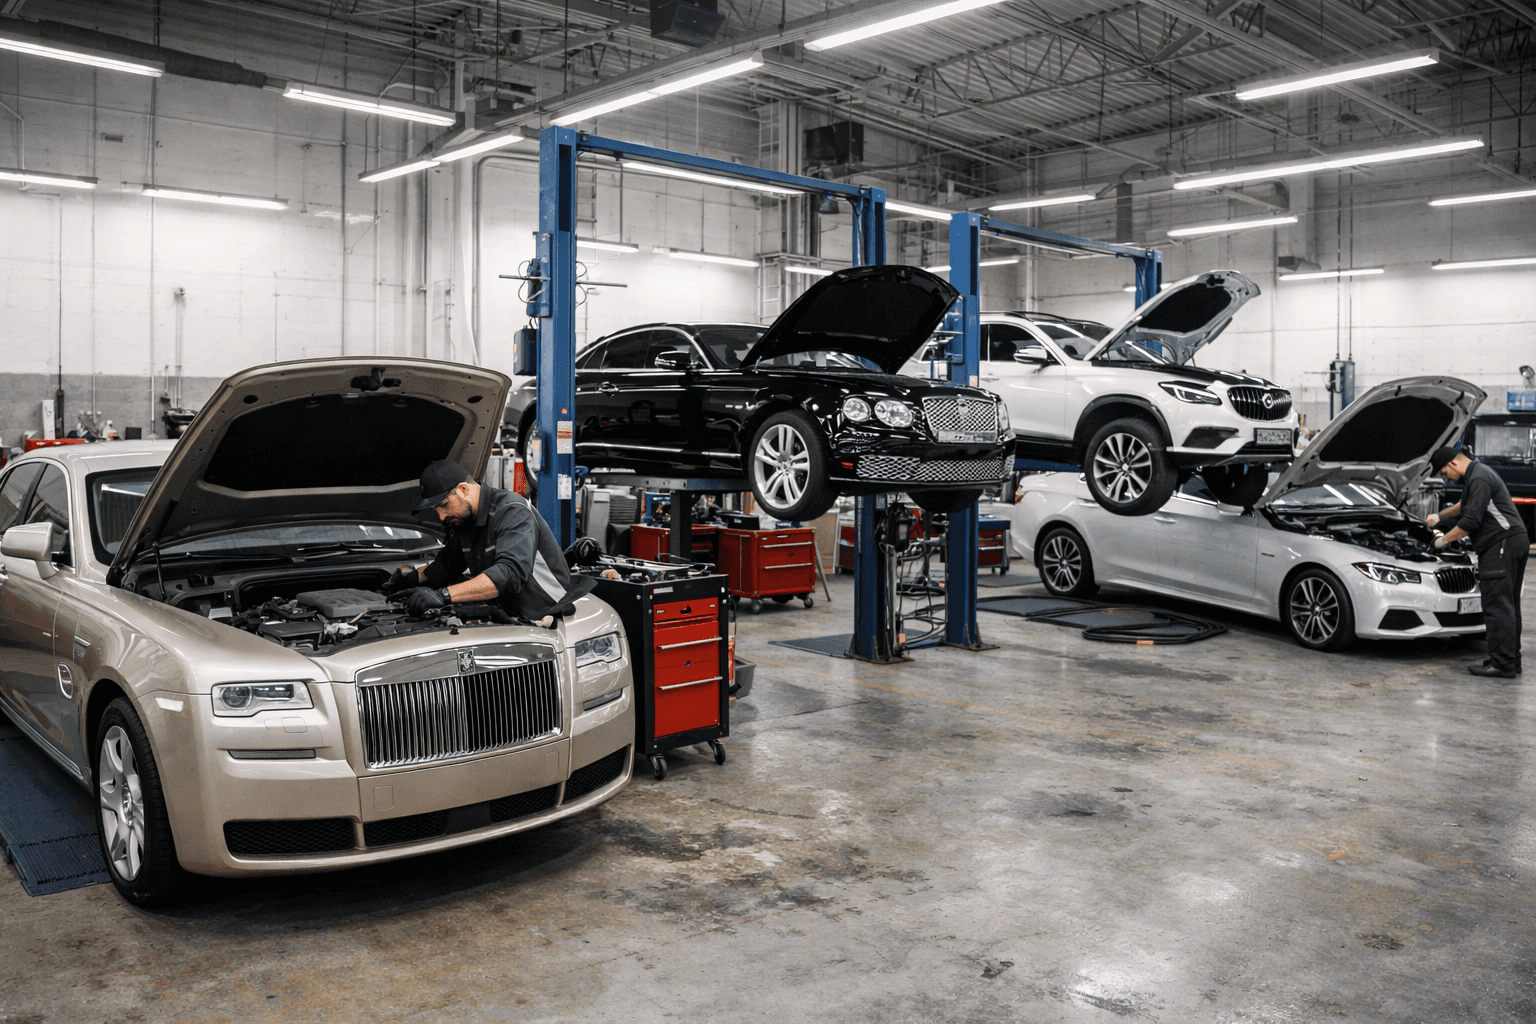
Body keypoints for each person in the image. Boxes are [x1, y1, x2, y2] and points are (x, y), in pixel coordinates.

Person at [385, 460, 595, 623]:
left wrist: (442, 596)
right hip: (507, 612)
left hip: (545, 612)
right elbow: (445, 566)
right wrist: (409, 579)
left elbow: (509, 574)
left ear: (463, 489)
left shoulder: (512, 511)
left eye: (444, 505)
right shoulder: (465, 522)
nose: (441, 517)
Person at [1427, 446, 1528, 678]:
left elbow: (1471, 521)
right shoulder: (1477, 474)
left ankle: (1502, 664)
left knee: (1497, 604)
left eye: (1444, 472)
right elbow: (1464, 506)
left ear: (1453, 464)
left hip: (1501, 543)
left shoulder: (1480, 476)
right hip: (1510, 542)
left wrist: (1443, 541)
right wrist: (1440, 517)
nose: (1445, 477)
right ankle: (1510, 660)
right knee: (1508, 605)